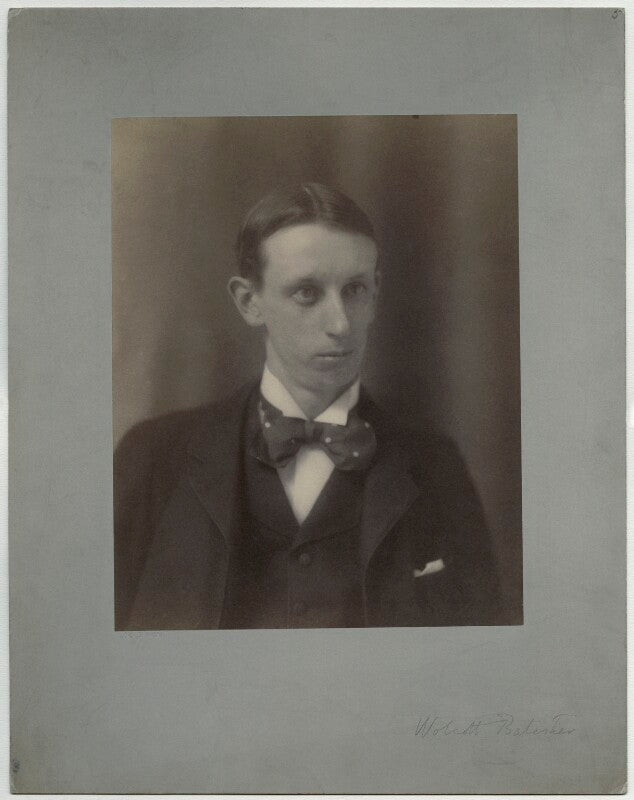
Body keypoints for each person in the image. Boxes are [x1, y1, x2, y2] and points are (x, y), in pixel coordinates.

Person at [114, 183, 501, 630]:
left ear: (376, 295)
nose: (340, 324)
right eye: (307, 293)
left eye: (354, 290)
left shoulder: (436, 467)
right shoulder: (153, 459)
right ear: (249, 302)